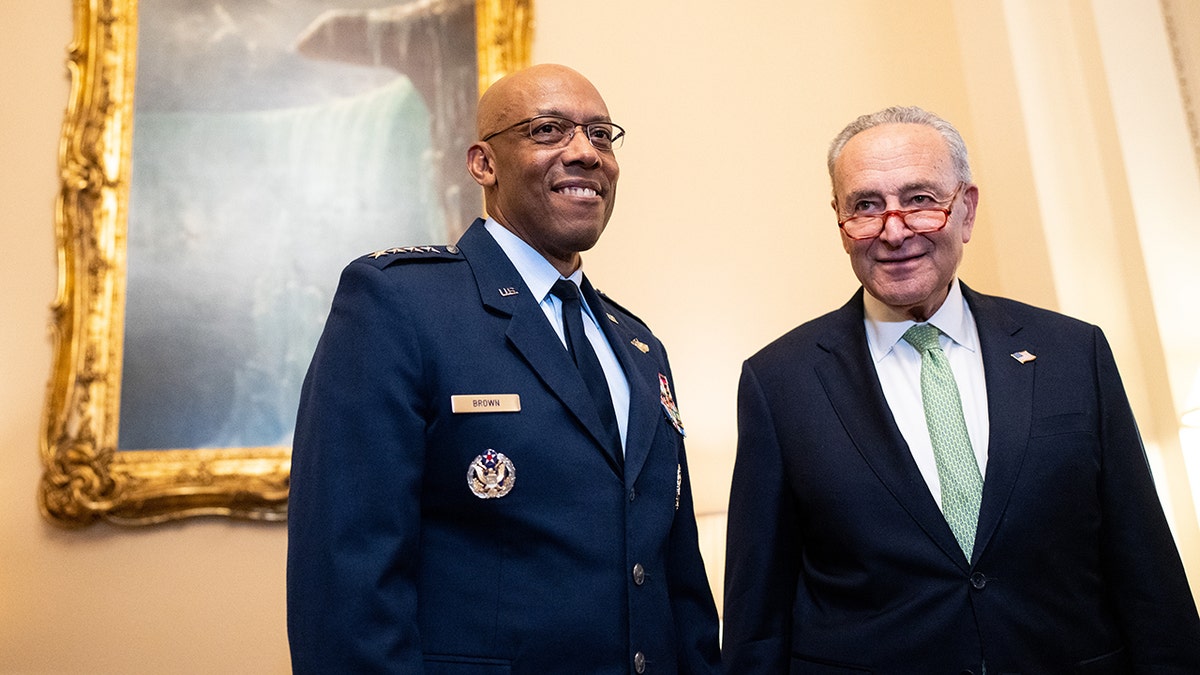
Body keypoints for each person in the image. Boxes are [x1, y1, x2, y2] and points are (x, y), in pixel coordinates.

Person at [721, 105, 1200, 673]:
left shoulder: (1074, 353)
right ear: (840, 222)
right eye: (866, 206)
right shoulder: (780, 383)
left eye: (921, 200)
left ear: (966, 210)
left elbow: (1146, 568)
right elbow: (758, 619)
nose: (893, 231)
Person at [287, 63, 721, 674]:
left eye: (601, 135)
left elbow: (679, 580)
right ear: (483, 164)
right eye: (548, 131)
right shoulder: (400, 305)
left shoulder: (639, 345)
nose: (586, 153)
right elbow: (347, 573)